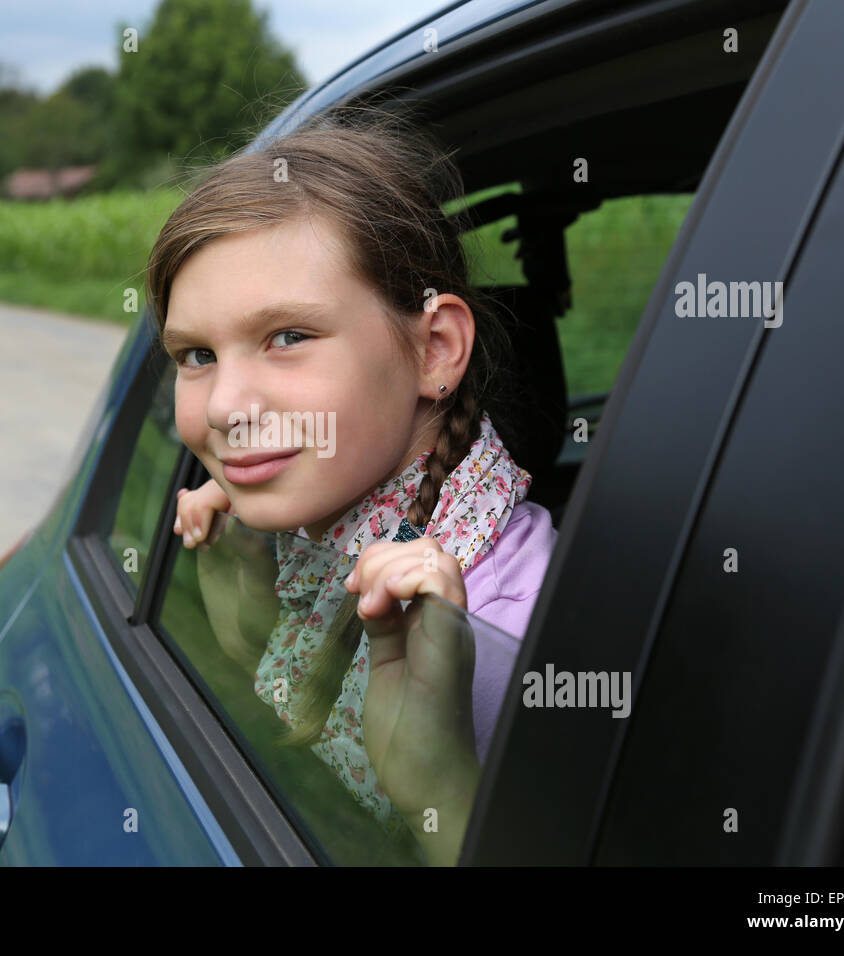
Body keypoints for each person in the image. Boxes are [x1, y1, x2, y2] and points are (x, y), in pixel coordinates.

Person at [145, 106, 558, 865]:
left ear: (435, 350)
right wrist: (247, 623)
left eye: (289, 337)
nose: (228, 408)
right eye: (196, 354)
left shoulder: (507, 645)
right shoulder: (313, 539)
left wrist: (445, 795)